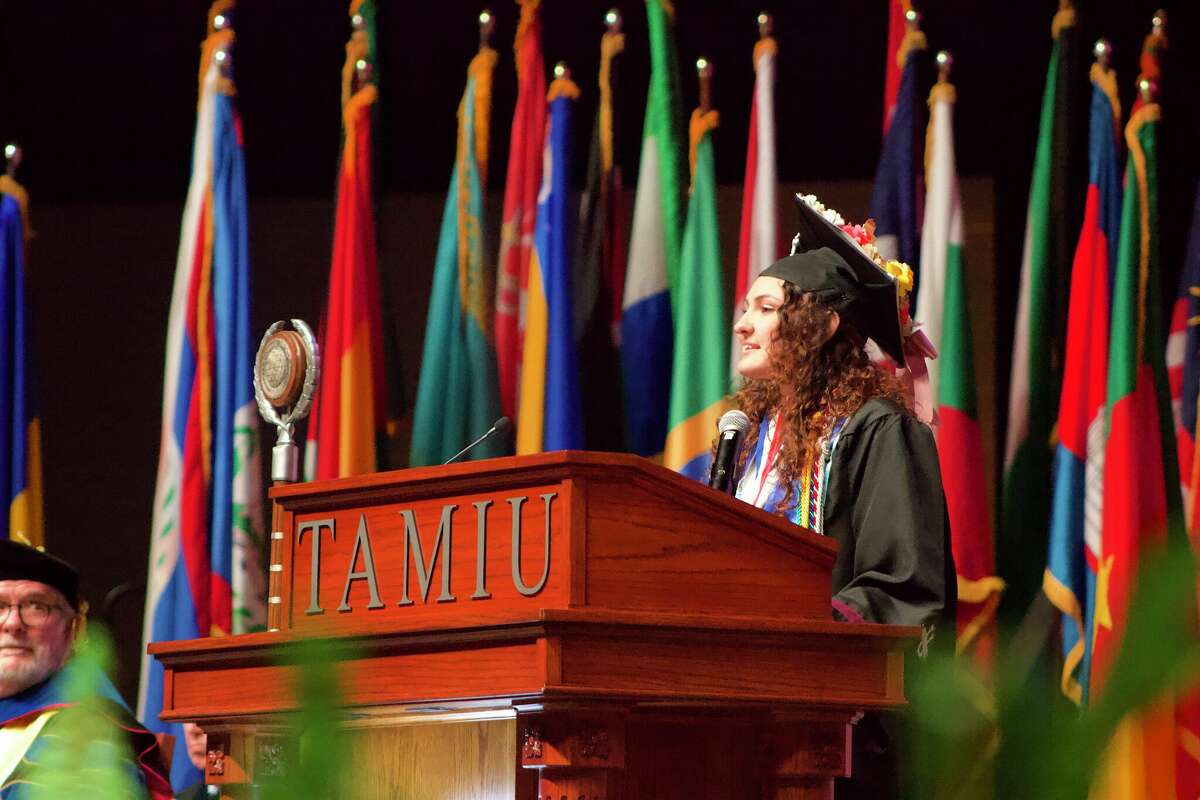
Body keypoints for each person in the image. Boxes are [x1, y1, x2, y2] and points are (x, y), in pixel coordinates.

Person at [731, 194, 955, 798]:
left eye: (765, 308)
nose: (741, 324)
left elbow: (901, 586)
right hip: (741, 720)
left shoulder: (878, 429)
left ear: (821, 324)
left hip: (840, 739)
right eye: (746, 308)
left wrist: (793, 633)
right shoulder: (749, 441)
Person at [0, 538, 171, 799]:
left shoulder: (89, 740)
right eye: (0, 606)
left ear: (72, 629)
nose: (13, 623)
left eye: (36, 606)